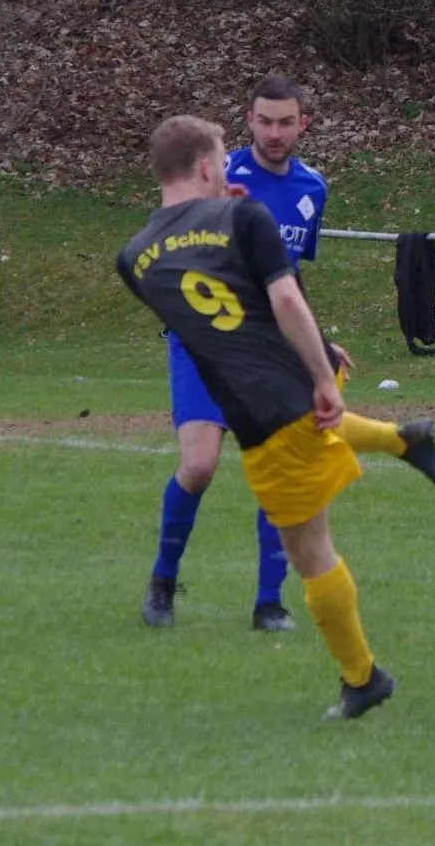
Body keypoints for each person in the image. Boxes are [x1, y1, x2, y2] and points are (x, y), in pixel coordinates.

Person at [118, 116, 435, 718]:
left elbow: (205, 293)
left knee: (311, 552)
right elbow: (284, 297)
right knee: (309, 536)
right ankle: (405, 442)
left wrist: (221, 216)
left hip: (263, 411)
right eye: (223, 157)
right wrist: (323, 376)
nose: (228, 165)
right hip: (277, 397)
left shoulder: (133, 258)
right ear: (205, 167)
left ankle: (363, 679)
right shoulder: (246, 217)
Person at [141, 75, 410, 633]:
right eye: (264, 121)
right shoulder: (218, 175)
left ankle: (269, 603)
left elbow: (287, 279)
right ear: (249, 120)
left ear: (303, 124)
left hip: (266, 350)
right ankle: (163, 581)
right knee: (198, 466)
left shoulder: (312, 189)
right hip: (203, 342)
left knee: (281, 465)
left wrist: (317, 341)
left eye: (286, 122)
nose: (274, 132)